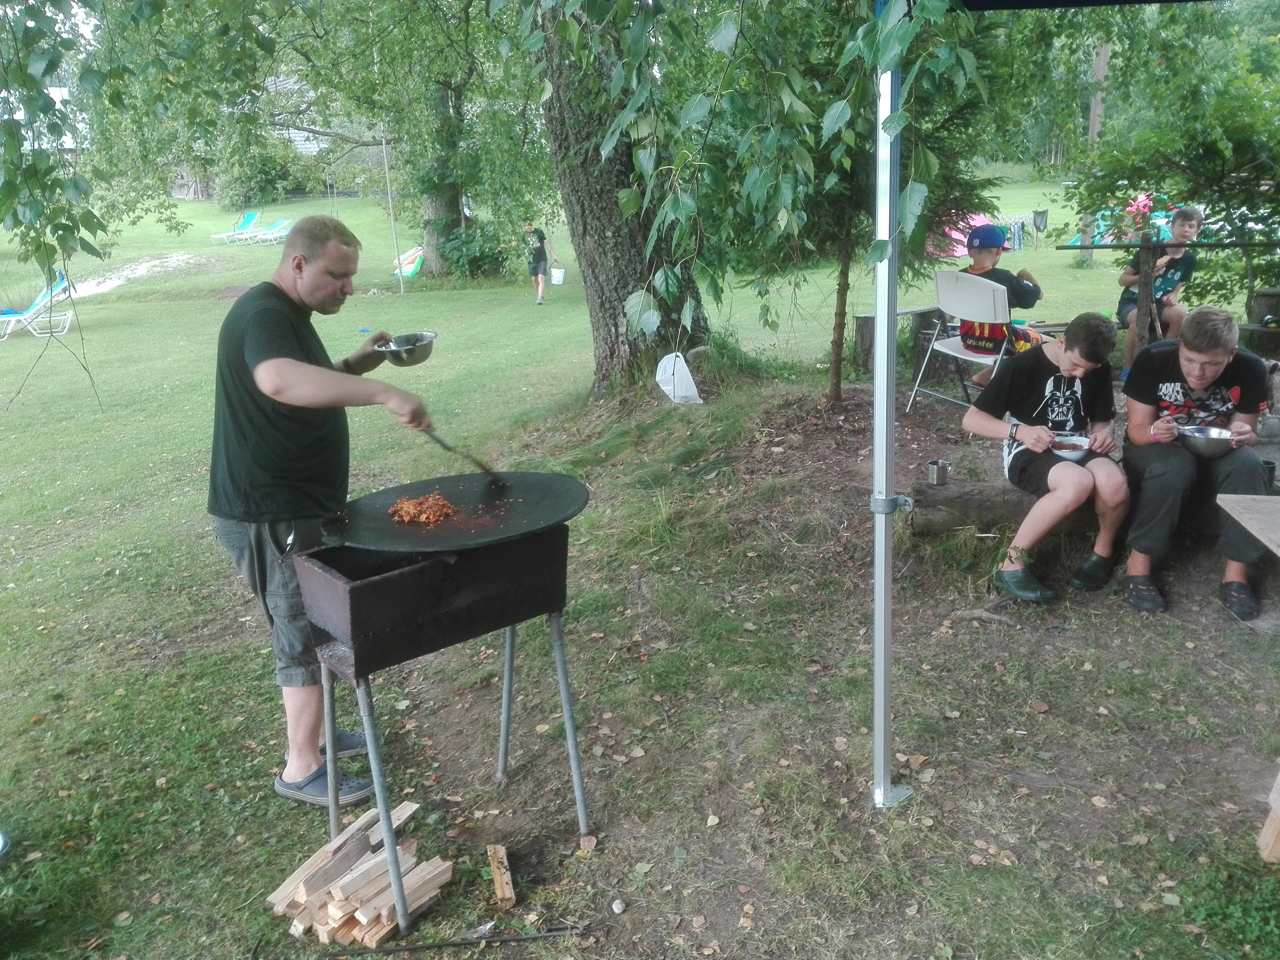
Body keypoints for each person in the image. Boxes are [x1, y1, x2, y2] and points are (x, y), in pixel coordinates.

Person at [208, 216, 431, 806]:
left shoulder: (289, 315)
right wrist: (384, 393)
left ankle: (324, 736)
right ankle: (301, 766)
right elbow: (279, 381)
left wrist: (358, 365)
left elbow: (306, 383)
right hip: (269, 509)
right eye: (338, 275)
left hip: (294, 505)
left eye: (351, 276)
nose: (348, 288)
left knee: (315, 617)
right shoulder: (263, 313)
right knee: (301, 627)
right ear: (299, 264)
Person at [962, 312, 1129, 603]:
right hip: (1027, 449)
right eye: (1075, 365)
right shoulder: (1020, 366)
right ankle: (1011, 562)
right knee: (1077, 483)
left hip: (1077, 444)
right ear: (1062, 342)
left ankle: (1102, 553)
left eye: (1088, 370)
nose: (1081, 374)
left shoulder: (1096, 367)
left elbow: (1102, 418)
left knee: (1114, 484)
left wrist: (1104, 432)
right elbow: (971, 420)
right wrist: (1020, 431)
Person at [1120, 305, 1270, 620]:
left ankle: (1236, 576)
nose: (1197, 372)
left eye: (1211, 364)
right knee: (1175, 465)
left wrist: (1245, 435)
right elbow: (1136, 431)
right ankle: (1138, 566)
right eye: (1188, 359)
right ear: (1180, 346)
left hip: (1216, 448)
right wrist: (1155, 432)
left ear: (1231, 354)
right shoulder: (1154, 359)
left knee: (1249, 465)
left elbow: (1247, 432)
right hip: (1157, 447)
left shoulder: (1250, 367)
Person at [1117, 205, 1202, 377]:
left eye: (1191, 226)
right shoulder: (1153, 250)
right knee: (1141, 317)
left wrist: (1173, 295)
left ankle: (1163, 362)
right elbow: (1123, 279)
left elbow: (1179, 282)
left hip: (1159, 304)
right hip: (1133, 301)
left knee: (1180, 314)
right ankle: (1128, 368)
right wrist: (1146, 275)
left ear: (1196, 231)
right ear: (1172, 227)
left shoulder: (1190, 259)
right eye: (1182, 225)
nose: (1186, 229)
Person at [959, 223, 1044, 387]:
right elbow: (1037, 295)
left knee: (1023, 332)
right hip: (998, 344)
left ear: (969, 252)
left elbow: (949, 315)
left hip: (968, 341)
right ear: (999, 251)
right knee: (1046, 342)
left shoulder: (959, 277)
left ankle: (983, 376)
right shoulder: (1004, 279)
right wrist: (1026, 274)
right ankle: (1020, 389)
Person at [510, 220, 560, 305]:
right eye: (526, 226)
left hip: (542, 259)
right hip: (531, 260)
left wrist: (554, 255)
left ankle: (540, 298)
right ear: (524, 227)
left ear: (531, 225)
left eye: (529, 225)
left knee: (541, 278)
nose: (528, 227)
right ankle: (539, 294)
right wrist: (511, 244)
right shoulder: (523, 235)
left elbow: (546, 243)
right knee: (534, 279)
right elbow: (517, 243)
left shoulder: (539, 232)